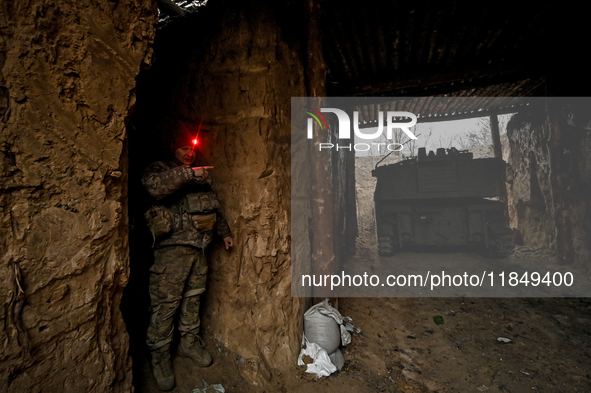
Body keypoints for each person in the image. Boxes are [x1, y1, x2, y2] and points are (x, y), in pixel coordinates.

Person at [141, 128, 233, 391]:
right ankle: (159, 357)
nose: (189, 152)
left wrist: (224, 234)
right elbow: (153, 187)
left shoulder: (202, 176)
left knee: (193, 300)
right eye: (183, 147)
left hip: (199, 250)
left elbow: (213, 206)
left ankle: (189, 343)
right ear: (173, 148)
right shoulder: (162, 169)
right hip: (171, 253)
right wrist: (188, 174)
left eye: (192, 148)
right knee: (166, 305)